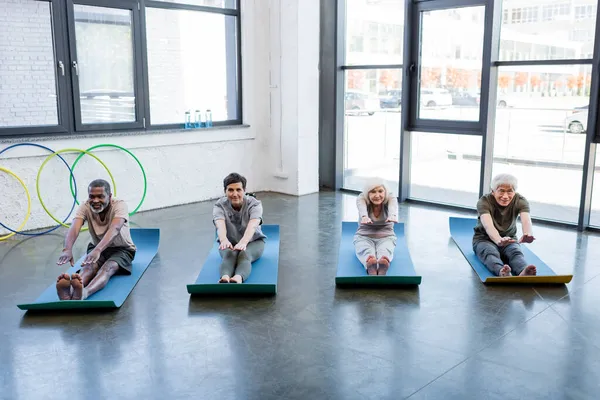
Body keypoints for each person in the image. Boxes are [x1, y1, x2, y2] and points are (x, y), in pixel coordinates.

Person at [56, 179, 136, 300]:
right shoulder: (85, 205)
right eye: (92, 197)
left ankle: (85, 292)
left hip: (122, 249)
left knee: (108, 268)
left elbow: (115, 228)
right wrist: (67, 249)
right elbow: (74, 227)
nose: (95, 200)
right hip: (97, 248)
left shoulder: (120, 205)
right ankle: (70, 293)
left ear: (109, 196)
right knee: (88, 268)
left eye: (100, 197)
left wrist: (98, 249)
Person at [473, 173, 537, 277]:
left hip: (509, 239)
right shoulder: (484, 201)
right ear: (493, 192)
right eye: (501, 191)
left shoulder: (520, 200)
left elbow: (526, 220)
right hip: (484, 239)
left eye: (510, 191)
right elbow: (488, 225)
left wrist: (528, 234)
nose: (505, 196)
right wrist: (499, 240)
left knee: (515, 253)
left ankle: (522, 272)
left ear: (514, 191)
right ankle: (501, 271)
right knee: (490, 253)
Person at [213, 173, 266, 283]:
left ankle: (238, 278)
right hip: (229, 242)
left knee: (244, 255)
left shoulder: (255, 204)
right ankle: (225, 278)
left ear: (244, 190)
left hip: (253, 241)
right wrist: (223, 240)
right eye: (230, 190)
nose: (235, 194)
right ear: (225, 191)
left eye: (238, 190)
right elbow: (220, 224)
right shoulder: (219, 205)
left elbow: (253, 225)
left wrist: (243, 242)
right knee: (229, 255)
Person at [354, 179, 399, 276]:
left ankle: (382, 264)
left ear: (385, 191)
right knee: (365, 249)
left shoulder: (390, 197)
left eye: (380, 191)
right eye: (373, 192)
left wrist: (392, 215)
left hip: (386, 235)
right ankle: (370, 264)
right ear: (367, 193)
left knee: (385, 249)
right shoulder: (362, 198)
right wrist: (364, 217)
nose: (377, 195)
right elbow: (361, 208)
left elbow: (392, 206)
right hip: (364, 235)